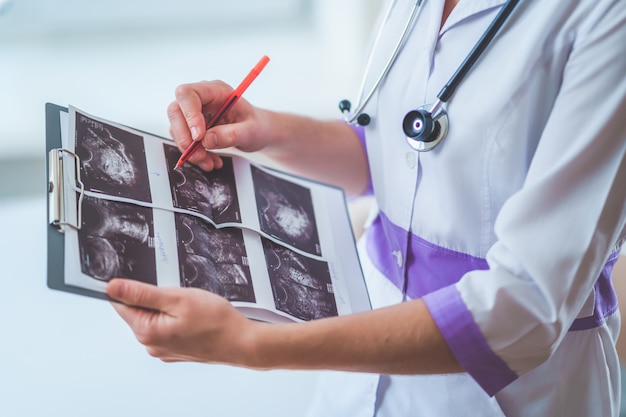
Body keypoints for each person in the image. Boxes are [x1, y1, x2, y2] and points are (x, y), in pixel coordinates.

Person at [106, 0, 626, 415]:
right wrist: (263, 128)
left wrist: (251, 345)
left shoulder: (608, 19)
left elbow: (524, 307)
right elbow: (396, 154)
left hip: (506, 393)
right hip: (358, 373)